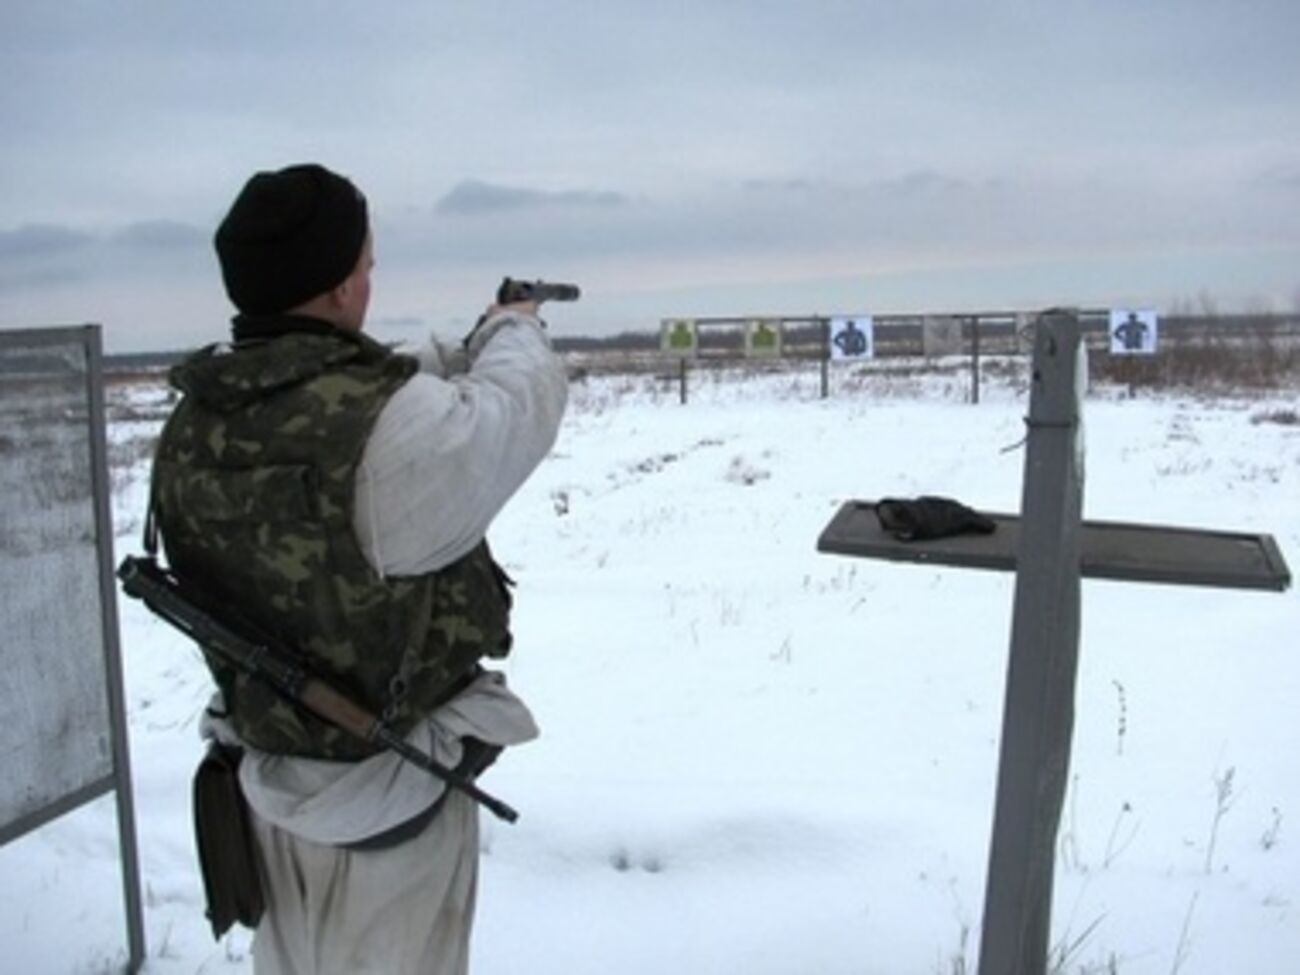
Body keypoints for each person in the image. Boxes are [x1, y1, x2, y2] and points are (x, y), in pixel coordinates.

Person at [147, 163, 569, 973]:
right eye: (367, 267)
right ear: (342, 288)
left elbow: (344, 393)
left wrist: (464, 341)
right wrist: (515, 328)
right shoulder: (390, 436)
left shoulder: (201, 419)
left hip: (267, 793)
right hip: (384, 825)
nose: (370, 284)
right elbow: (515, 410)